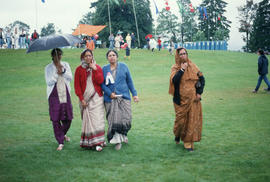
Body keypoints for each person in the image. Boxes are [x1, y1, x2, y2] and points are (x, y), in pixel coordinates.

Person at [168, 47, 205, 152]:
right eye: (181, 54)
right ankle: (178, 134)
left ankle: (188, 142)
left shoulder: (194, 66)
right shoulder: (175, 68)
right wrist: (182, 69)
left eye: (185, 53)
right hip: (180, 100)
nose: (183, 55)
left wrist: (199, 93)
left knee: (191, 121)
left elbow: (202, 79)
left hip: (193, 100)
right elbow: (174, 81)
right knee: (180, 122)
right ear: (177, 56)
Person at [101, 50, 139, 150]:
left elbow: (129, 81)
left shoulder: (124, 66)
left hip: (124, 97)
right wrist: (110, 93)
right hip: (110, 99)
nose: (112, 57)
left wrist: (134, 94)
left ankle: (123, 134)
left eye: (113, 55)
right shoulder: (104, 69)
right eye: (109, 55)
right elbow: (102, 84)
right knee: (114, 120)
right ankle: (117, 141)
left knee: (127, 118)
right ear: (107, 58)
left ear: (117, 57)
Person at [74, 49, 106, 151]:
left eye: (90, 55)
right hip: (85, 99)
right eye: (86, 56)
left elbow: (100, 81)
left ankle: (99, 142)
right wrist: (82, 99)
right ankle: (89, 142)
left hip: (97, 98)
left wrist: (94, 69)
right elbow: (77, 86)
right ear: (82, 57)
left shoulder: (98, 67)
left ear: (92, 56)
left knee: (98, 120)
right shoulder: (79, 69)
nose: (88, 58)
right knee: (88, 121)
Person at [45, 48, 73, 151]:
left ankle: (62, 134)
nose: (59, 57)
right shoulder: (48, 68)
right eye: (57, 55)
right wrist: (57, 73)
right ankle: (60, 141)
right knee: (56, 118)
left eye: (60, 55)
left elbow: (70, 77)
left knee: (68, 118)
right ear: (52, 56)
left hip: (65, 93)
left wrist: (63, 71)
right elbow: (49, 82)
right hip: (53, 94)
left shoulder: (66, 64)